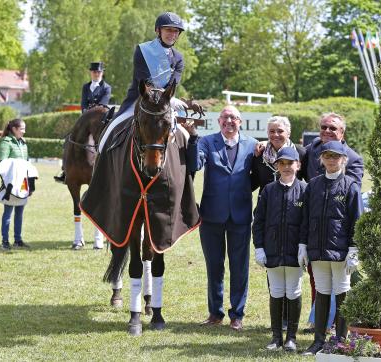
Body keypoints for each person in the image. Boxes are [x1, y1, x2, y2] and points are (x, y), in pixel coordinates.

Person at [186, 105, 258, 331]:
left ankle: (237, 314)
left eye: (234, 118)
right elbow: (194, 164)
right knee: (214, 266)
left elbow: (262, 172)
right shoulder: (207, 142)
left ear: (241, 122)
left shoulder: (252, 145)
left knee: (239, 267)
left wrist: (265, 150)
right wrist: (193, 138)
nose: (229, 121)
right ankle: (215, 313)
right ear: (219, 121)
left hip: (240, 215)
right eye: (225, 117)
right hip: (211, 216)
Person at [299, 141, 363, 355]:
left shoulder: (350, 185)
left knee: (342, 291)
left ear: (343, 159)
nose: (331, 160)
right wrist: (302, 245)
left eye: (335, 157)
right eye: (327, 156)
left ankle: (340, 341)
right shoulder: (313, 185)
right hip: (317, 250)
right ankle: (318, 341)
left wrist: (354, 248)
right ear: (321, 159)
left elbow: (357, 219)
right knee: (322, 292)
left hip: (341, 251)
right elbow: (305, 218)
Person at [98, 11, 190, 153]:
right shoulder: (143, 50)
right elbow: (144, 81)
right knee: (110, 130)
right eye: (168, 30)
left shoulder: (178, 58)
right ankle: (101, 160)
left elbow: (173, 84)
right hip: (139, 100)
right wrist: (168, 99)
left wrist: (169, 99)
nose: (172, 34)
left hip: (164, 104)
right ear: (158, 30)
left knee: (186, 137)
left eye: (176, 31)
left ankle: (188, 174)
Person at [252, 147, 307, 352]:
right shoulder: (268, 190)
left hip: (295, 252)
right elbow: (258, 222)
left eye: (290, 163)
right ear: (276, 166)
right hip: (273, 249)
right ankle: (276, 337)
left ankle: (291, 337)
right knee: (276, 291)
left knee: (293, 291)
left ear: (298, 165)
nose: (286, 167)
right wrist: (259, 247)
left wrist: (304, 246)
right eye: (282, 163)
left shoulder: (305, 190)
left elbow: (307, 223)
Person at [54, 62, 112, 183]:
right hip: (85, 118)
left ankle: (109, 170)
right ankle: (65, 169)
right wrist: (85, 114)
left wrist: (90, 114)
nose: (96, 74)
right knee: (70, 138)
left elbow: (102, 104)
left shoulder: (106, 87)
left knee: (106, 141)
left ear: (102, 73)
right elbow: (83, 103)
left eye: (98, 72)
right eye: (94, 72)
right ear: (91, 73)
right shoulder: (86, 87)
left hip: (99, 120)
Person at [0, 119, 31, 250]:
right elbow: (2, 163)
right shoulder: (6, 142)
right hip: (11, 183)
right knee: (8, 212)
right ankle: (5, 241)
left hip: (23, 182)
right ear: (14, 129)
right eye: (22, 129)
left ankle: (18, 240)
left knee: (20, 212)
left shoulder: (23, 143)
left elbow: (27, 163)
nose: (24, 131)